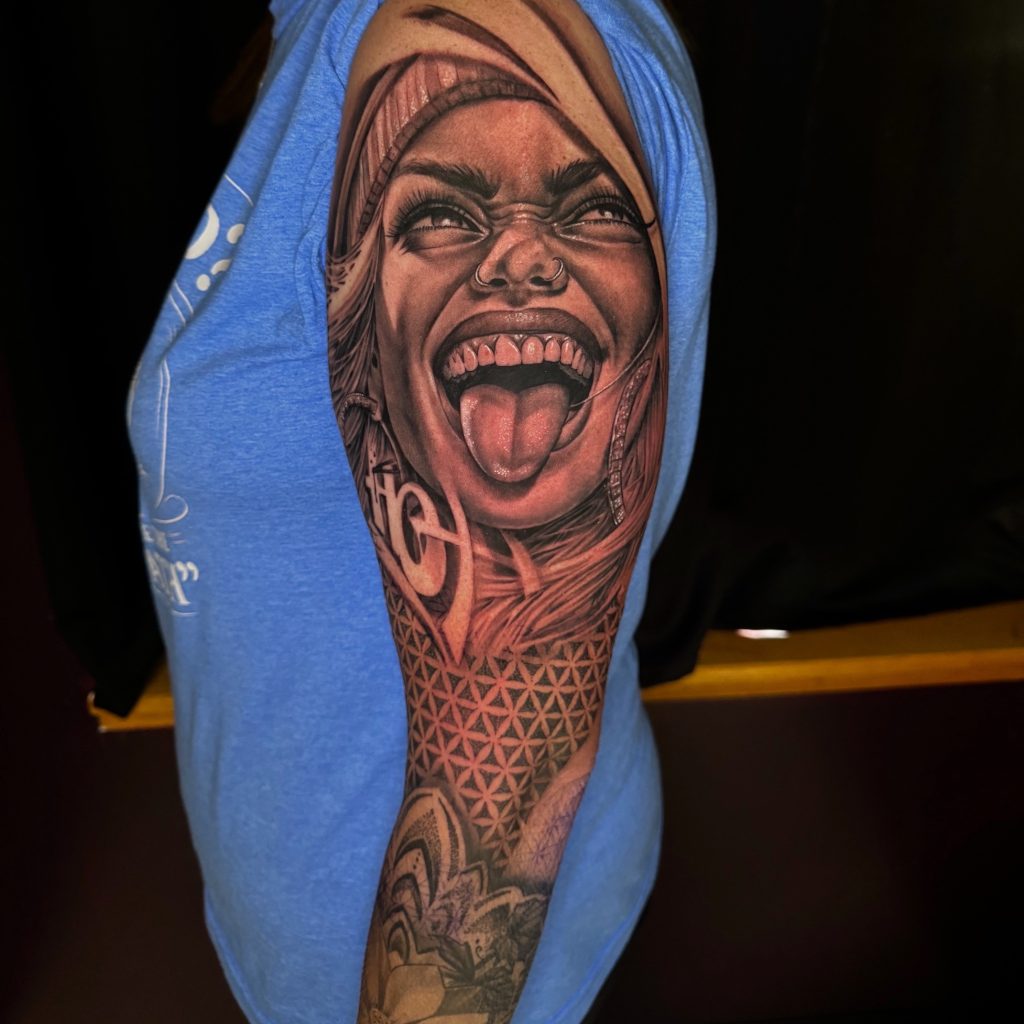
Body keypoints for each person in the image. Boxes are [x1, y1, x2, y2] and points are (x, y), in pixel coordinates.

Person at [128, 1, 714, 1022]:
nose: (522, 257)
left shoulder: (462, 19)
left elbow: (507, 790)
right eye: (443, 216)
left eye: (588, 212)